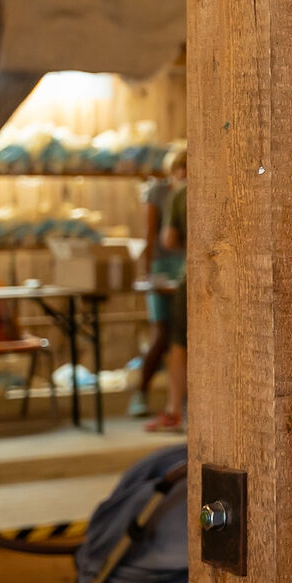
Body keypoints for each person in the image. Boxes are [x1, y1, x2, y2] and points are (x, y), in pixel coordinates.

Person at [129, 145, 187, 418]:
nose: (184, 172)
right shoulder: (161, 193)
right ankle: (141, 392)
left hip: (186, 267)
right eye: (181, 166)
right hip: (161, 267)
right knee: (162, 334)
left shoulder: (190, 192)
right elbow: (150, 234)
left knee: (183, 337)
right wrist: (148, 272)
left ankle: (178, 403)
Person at [147, 152, 189, 434]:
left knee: (179, 345)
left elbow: (169, 240)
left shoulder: (180, 195)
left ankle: (174, 411)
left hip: (193, 276)